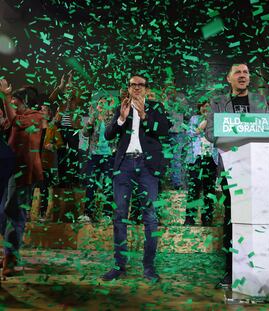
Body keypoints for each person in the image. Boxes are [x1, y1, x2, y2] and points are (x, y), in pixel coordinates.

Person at [205, 63, 269, 288]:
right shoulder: (218, 102)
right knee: (234, 221)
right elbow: (210, 132)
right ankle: (231, 271)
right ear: (229, 78)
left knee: (258, 220)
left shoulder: (260, 102)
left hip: (259, 169)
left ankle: (258, 270)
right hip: (231, 169)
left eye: (246, 73)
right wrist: (236, 136)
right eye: (238, 73)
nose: (242, 76)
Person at [102, 75, 170, 282]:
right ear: (129, 88)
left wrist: (145, 115)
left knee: (150, 217)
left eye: (141, 85)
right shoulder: (121, 106)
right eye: (134, 85)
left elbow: (165, 130)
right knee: (120, 215)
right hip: (124, 166)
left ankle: (149, 268)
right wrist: (122, 119)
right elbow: (108, 134)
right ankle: (119, 266)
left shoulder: (156, 107)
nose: (137, 88)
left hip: (147, 166)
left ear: (147, 89)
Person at [0, 80, 44, 277]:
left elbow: (17, 122)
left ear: (26, 102)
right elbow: (7, 123)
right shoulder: (16, 114)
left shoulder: (37, 116)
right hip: (9, 170)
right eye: (13, 101)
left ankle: (11, 257)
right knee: (4, 212)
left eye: (16, 101)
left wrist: (5, 97)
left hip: (25, 173)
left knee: (14, 214)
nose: (14, 104)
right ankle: (11, 251)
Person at [81, 97, 115, 222]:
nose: (101, 106)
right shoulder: (94, 119)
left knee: (108, 185)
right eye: (100, 103)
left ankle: (107, 214)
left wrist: (107, 117)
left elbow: (114, 131)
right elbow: (85, 133)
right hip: (94, 154)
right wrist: (92, 119)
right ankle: (88, 213)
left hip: (109, 155)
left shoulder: (112, 119)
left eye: (104, 104)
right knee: (91, 184)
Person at [184, 101, 218, 226]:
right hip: (196, 158)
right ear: (200, 108)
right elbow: (189, 134)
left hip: (211, 158)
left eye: (209, 106)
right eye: (204, 106)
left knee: (209, 190)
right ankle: (189, 219)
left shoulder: (216, 120)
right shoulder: (194, 119)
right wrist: (201, 127)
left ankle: (207, 218)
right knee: (194, 189)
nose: (206, 108)